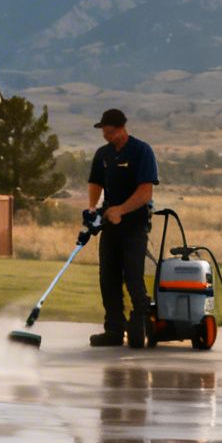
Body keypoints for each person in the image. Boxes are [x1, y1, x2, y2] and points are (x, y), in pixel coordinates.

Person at [85, 108, 158, 348]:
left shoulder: (141, 151)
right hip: (110, 224)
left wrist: (121, 210)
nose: (107, 136)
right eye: (104, 132)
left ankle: (141, 326)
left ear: (122, 128)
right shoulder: (103, 154)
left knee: (133, 277)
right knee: (108, 277)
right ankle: (114, 330)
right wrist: (93, 209)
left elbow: (145, 192)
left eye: (111, 132)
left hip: (134, 225)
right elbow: (95, 183)